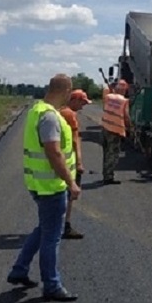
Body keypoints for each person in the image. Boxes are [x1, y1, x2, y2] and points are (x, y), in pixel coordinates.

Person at [7, 74, 80, 302]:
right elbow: (54, 152)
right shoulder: (49, 117)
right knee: (52, 237)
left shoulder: (37, 109)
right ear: (65, 91)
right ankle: (52, 285)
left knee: (44, 229)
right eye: (69, 93)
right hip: (51, 187)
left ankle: (19, 269)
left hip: (39, 184)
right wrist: (71, 182)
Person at [59, 89, 91, 240]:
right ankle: (64, 226)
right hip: (68, 162)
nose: (83, 106)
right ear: (75, 100)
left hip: (60, 161)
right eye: (82, 103)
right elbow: (74, 141)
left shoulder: (59, 112)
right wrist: (79, 163)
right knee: (70, 196)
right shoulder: (70, 115)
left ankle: (58, 225)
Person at [100, 79, 131, 185]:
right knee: (113, 153)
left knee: (106, 152)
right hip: (115, 129)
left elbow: (104, 95)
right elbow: (126, 116)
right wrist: (130, 126)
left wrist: (110, 88)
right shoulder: (124, 101)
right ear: (125, 90)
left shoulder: (108, 97)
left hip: (105, 127)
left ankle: (106, 174)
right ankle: (108, 177)